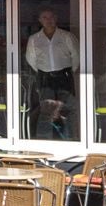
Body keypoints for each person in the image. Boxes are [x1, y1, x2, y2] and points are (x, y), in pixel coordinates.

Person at [24, 8, 77, 137]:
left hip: (64, 75)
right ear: (40, 20)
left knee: (65, 109)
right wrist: (43, 71)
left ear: (56, 18)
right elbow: (31, 59)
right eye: (45, 17)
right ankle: (44, 140)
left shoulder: (66, 36)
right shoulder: (34, 39)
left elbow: (76, 56)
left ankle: (68, 139)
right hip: (45, 77)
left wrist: (70, 71)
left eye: (51, 17)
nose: (48, 20)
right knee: (46, 110)